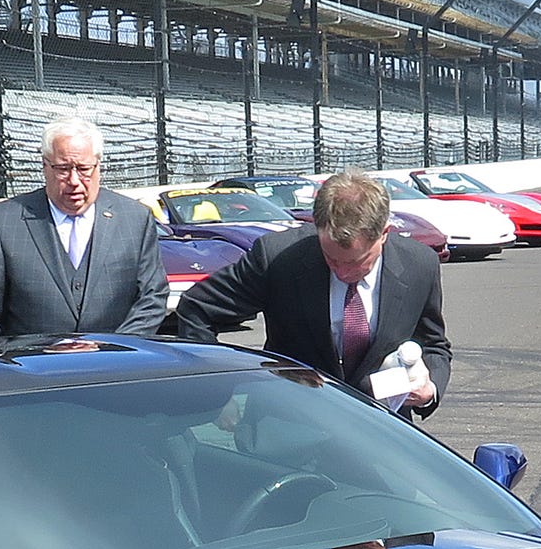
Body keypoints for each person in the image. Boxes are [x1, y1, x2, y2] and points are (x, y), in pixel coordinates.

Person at [166, 169, 450, 414]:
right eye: (331, 258)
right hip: (290, 422)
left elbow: (434, 344)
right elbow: (198, 308)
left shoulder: (419, 265)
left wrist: (429, 389)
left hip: (381, 430)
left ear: (384, 233)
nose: (342, 272)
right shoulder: (278, 258)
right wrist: (216, 391)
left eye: (356, 262)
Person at [0, 113, 168, 339]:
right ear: (45, 166)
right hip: (36, 367)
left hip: (117, 365)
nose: (74, 181)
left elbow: (152, 297)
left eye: (83, 169)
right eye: (63, 169)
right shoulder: (4, 222)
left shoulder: (135, 219)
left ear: (98, 166)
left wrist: (117, 348)